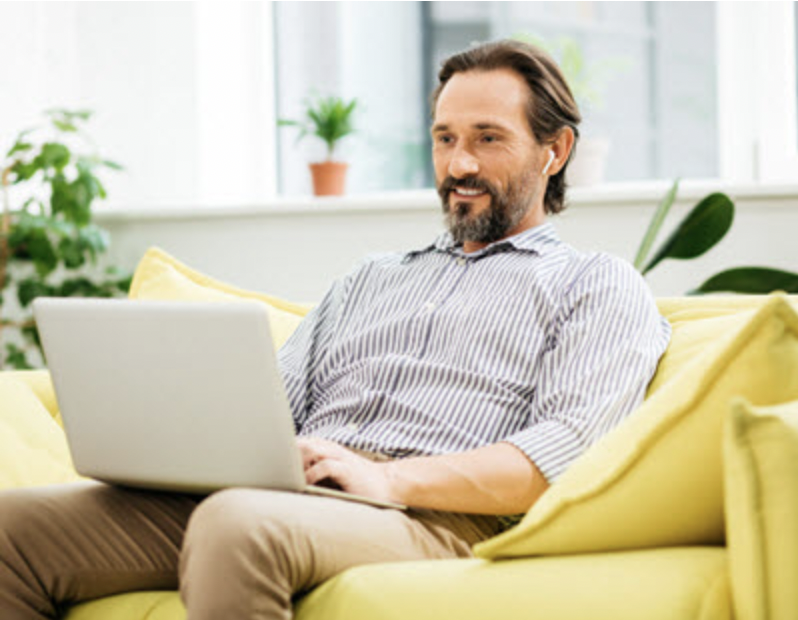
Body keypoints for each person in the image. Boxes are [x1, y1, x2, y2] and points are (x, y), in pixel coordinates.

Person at [0, 40, 671, 620]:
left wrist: (393, 482)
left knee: (239, 526)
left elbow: (559, 456)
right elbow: (270, 408)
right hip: (293, 491)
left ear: (555, 151)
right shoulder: (367, 280)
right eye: (445, 139)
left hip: (433, 517)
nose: (459, 164)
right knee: (12, 529)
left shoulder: (597, 284)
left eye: (487, 139)